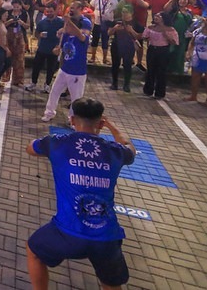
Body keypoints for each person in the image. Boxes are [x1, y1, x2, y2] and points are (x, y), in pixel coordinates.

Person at [26, 98, 136, 290]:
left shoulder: (57, 143)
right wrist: (111, 126)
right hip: (106, 235)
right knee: (111, 283)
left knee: (34, 251)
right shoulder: (115, 151)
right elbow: (129, 148)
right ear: (100, 123)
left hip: (67, 232)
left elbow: (30, 148)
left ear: (72, 120)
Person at [42, 1, 92, 122]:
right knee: (54, 91)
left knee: (76, 98)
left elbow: (82, 37)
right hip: (64, 68)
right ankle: (49, 113)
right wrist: (58, 48)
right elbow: (62, 42)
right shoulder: (67, 29)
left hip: (77, 71)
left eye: (74, 8)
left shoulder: (84, 25)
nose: (71, 10)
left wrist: (69, 23)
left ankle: (73, 120)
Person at [26, 5, 64, 94]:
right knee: (36, 67)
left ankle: (47, 85)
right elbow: (36, 33)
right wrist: (40, 35)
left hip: (53, 49)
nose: (49, 13)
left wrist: (59, 46)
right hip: (42, 48)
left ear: (55, 11)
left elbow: (64, 34)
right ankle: (33, 83)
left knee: (51, 68)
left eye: (51, 11)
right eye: (47, 12)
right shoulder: (42, 22)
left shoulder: (61, 22)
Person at [141, 12, 179, 99]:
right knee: (150, 70)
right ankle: (148, 90)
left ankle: (159, 92)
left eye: (158, 16)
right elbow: (144, 36)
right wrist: (146, 37)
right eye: (155, 16)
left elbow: (175, 42)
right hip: (152, 49)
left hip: (163, 51)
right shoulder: (151, 27)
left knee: (161, 72)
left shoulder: (170, 29)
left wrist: (167, 36)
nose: (156, 17)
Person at [107, 10, 140, 93]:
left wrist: (131, 30)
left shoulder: (135, 23)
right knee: (115, 65)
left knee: (127, 66)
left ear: (131, 13)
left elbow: (140, 36)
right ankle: (114, 83)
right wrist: (115, 28)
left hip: (129, 46)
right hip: (116, 45)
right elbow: (109, 33)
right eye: (123, 12)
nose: (124, 14)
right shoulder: (116, 21)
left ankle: (126, 85)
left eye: (126, 12)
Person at [90, 0, 119, 65]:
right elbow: (91, 8)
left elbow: (116, 12)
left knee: (105, 41)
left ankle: (105, 58)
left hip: (108, 23)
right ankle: (93, 57)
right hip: (97, 22)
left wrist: (112, 24)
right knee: (95, 40)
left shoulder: (114, 0)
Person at [6, 0, 30, 86]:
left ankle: (18, 80)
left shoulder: (24, 14)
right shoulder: (8, 13)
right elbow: (3, 24)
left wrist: (22, 23)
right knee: (8, 57)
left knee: (20, 59)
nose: (16, 8)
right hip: (9, 36)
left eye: (18, 6)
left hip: (20, 37)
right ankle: (6, 77)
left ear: (20, 6)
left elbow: (28, 26)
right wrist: (10, 21)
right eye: (14, 6)